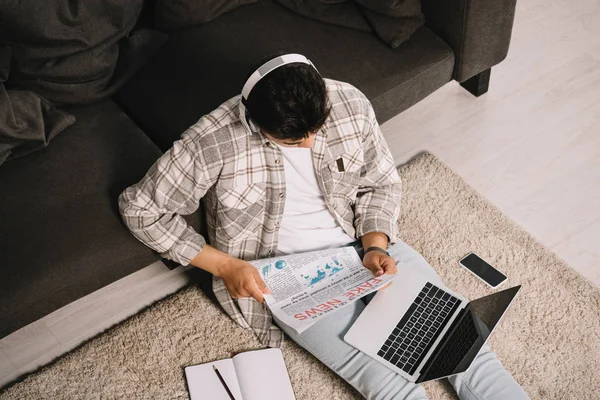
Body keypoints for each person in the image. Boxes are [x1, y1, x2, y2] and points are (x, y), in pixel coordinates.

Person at [119, 53, 529, 400]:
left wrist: (376, 245)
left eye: (316, 130)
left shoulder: (348, 102)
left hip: (363, 249)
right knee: (390, 386)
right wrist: (226, 267)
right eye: (295, 141)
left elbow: (379, 183)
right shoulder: (212, 142)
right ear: (255, 123)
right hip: (289, 280)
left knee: (464, 349)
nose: (312, 143)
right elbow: (140, 209)